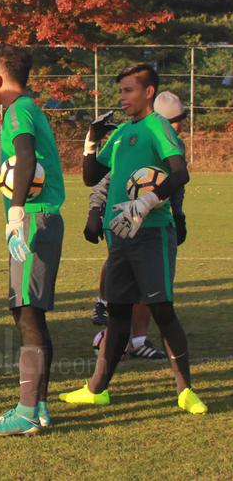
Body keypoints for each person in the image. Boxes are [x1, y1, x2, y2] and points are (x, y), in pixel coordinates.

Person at [60, 64, 206, 415]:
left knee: (162, 310)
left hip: (151, 233)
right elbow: (92, 176)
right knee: (117, 312)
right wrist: (91, 141)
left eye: (128, 90)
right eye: (121, 91)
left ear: (148, 92)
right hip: (120, 233)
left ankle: (185, 391)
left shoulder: (157, 126)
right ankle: (97, 390)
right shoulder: (123, 132)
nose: (122, 97)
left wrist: (148, 200)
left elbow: (180, 173)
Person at [0, 46, 64, 435]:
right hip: (42, 218)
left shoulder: (17, 111)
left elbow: (25, 158)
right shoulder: (29, 107)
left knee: (26, 312)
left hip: (32, 219)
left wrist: (16, 212)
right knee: (31, 313)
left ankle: (27, 411)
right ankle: (39, 406)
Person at [85, 91, 189, 360]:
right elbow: (104, 180)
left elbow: (177, 184)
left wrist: (178, 216)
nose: (179, 125)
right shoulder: (136, 136)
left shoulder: (175, 144)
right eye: (175, 120)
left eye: (181, 119)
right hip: (124, 220)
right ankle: (108, 323)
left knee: (148, 289)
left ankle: (137, 340)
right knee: (127, 283)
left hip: (156, 223)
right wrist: (95, 211)